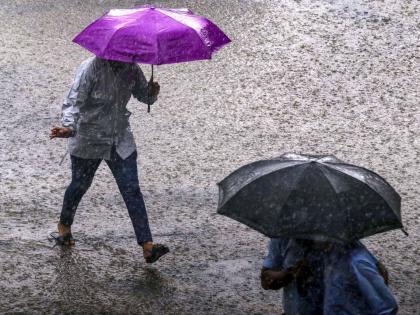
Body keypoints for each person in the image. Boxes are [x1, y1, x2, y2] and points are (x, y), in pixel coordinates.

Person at [49, 56, 169, 263]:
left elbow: (143, 96)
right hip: (89, 136)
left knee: (131, 189)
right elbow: (73, 100)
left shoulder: (131, 68)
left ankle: (147, 245)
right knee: (80, 184)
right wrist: (68, 126)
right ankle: (64, 226)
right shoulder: (90, 68)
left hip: (119, 139)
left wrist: (151, 93)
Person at [261, 238, 398, 315]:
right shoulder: (283, 237)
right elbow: (266, 279)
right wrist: (289, 274)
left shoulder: (347, 247)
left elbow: (380, 275)